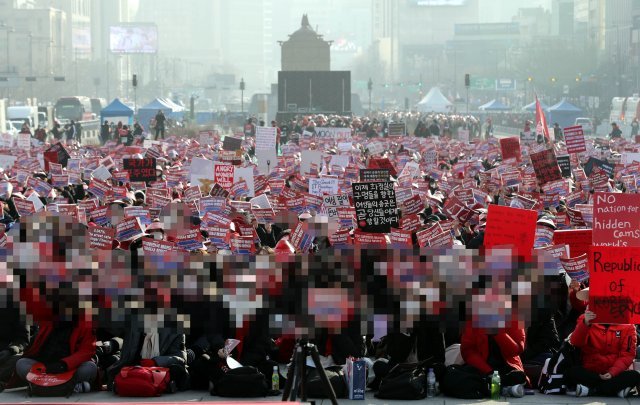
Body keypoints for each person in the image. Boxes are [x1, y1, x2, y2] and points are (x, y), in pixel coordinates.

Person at [565, 288, 639, 398]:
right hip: (592, 372)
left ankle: (591, 391)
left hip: (615, 373)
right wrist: (585, 323)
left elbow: (627, 355)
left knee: (635, 376)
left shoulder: (628, 327)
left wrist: (613, 372)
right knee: (571, 372)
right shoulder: (584, 319)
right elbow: (575, 342)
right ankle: (612, 389)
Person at [15, 319, 97, 394]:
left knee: (90, 367)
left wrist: (63, 365)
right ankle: (70, 387)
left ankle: (40, 387)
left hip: (70, 369)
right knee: (21, 363)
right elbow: (36, 348)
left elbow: (87, 351)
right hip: (45, 369)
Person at [460, 319, 528, 398]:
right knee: (452, 374)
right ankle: (501, 388)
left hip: (507, 370)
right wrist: (489, 372)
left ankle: (490, 387)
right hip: (482, 370)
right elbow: (467, 351)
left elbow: (516, 350)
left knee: (519, 376)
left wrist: (497, 332)